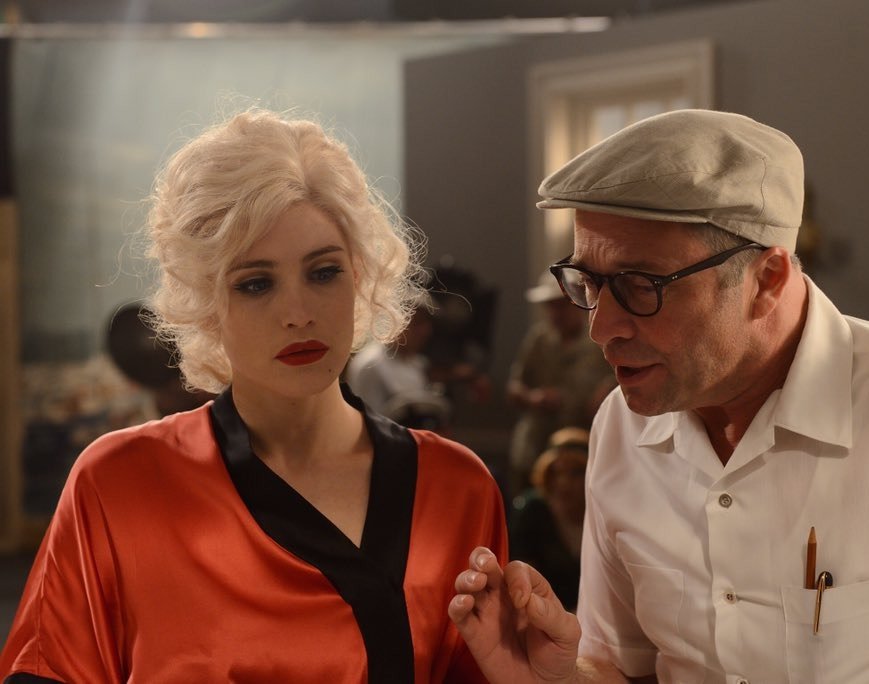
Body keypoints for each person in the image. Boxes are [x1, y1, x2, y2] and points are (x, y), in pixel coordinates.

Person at [1, 109, 507, 682]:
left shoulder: (456, 488)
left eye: (324, 272)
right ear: (206, 304)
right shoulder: (120, 483)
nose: (297, 313)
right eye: (256, 284)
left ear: (360, 275)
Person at [449, 108, 869, 683]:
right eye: (589, 282)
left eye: (640, 286)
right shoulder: (622, 428)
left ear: (766, 279)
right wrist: (558, 678)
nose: (601, 329)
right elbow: (625, 666)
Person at [506, 271, 614, 497]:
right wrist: (533, 398)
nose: (556, 313)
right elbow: (515, 386)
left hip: (583, 445)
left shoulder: (598, 340)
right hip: (536, 444)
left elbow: (619, 380)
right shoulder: (539, 339)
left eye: (562, 305)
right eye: (551, 306)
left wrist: (606, 393)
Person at [509, 427, 589, 611]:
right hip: (542, 614)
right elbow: (521, 578)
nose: (564, 483)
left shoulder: (604, 513)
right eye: (556, 473)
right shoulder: (533, 511)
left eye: (576, 473)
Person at [344, 298, 451, 432]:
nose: (425, 331)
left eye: (427, 324)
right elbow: (369, 426)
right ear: (395, 321)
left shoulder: (417, 363)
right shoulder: (371, 364)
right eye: (417, 322)